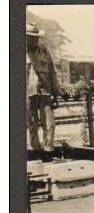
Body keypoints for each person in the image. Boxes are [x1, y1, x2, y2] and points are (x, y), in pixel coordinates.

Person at [26, 23, 61, 152]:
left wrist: (56, 92)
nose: (34, 39)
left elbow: (52, 73)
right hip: (28, 93)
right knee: (31, 124)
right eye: (31, 37)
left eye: (36, 37)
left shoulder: (45, 51)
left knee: (50, 123)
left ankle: (48, 149)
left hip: (45, 92)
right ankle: (35, 149)